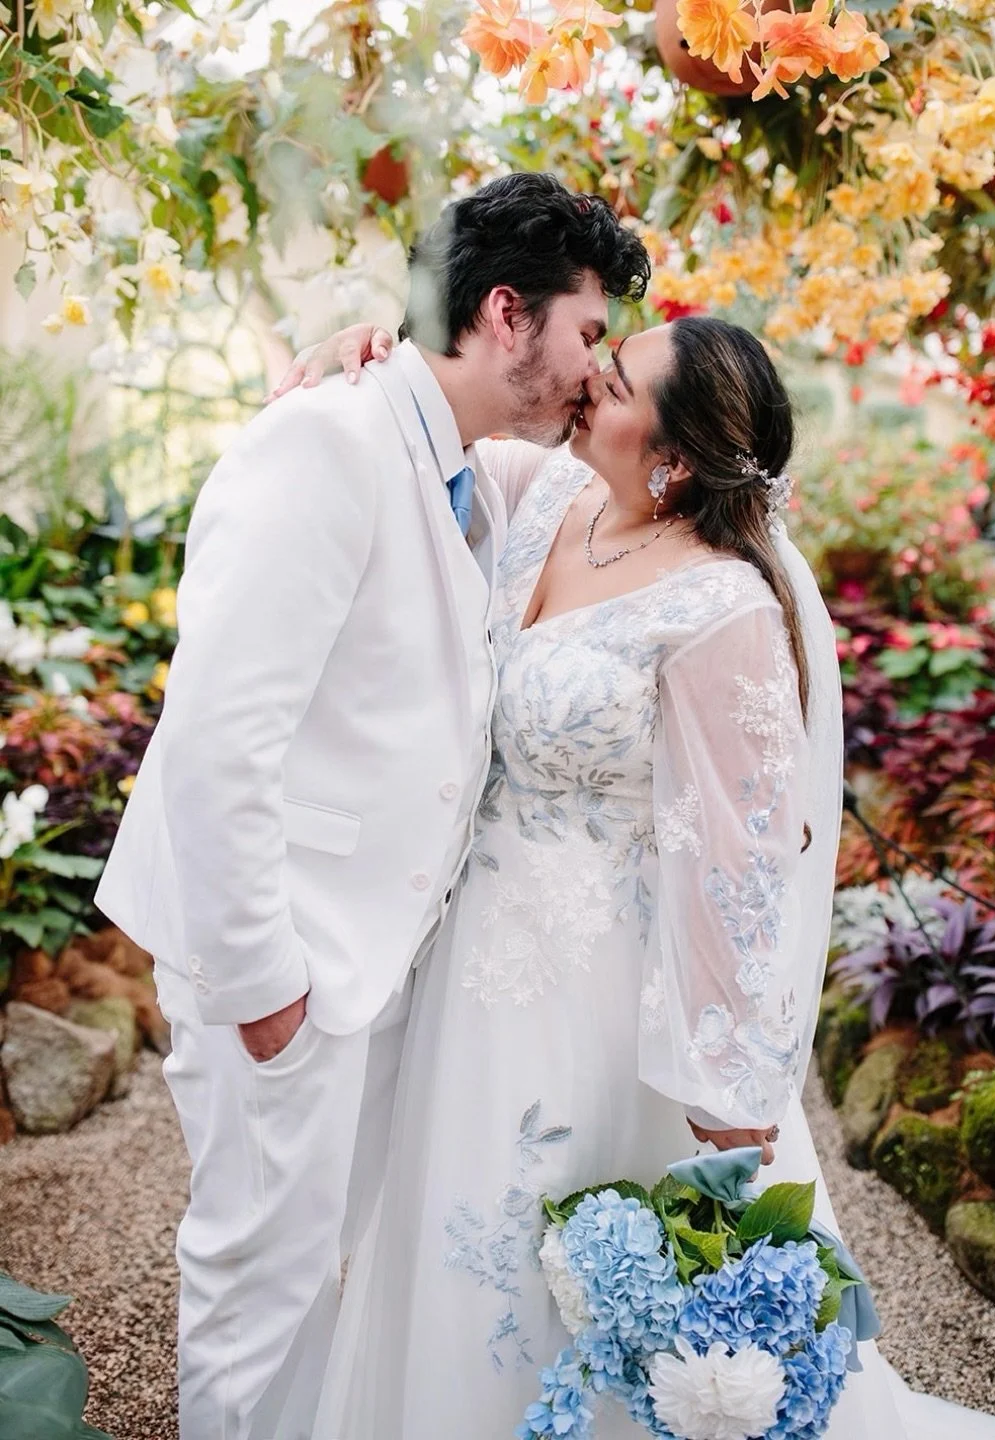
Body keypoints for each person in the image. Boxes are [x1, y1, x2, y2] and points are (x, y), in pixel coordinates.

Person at [274, 320, 995, 1440]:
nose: (594, 372)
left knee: (587, 1277)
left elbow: (734, 866)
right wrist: (368, 351)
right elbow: (429, 440)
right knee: (447, 1246)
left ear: (680, 453)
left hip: (599, 1006)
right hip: (470, 974)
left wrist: (728, 1106)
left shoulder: (726, 607)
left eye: (622, 374)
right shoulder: (545, 497)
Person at [93, 171, 652, 1440]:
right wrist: (266, 993)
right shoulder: (326, 441)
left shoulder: (455, 464)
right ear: (505, 314)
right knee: (257, 1283)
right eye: (583, 332)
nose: (592, 366)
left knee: (314, 1286)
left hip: (361, 962)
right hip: (286, 966)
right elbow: (221, 742)